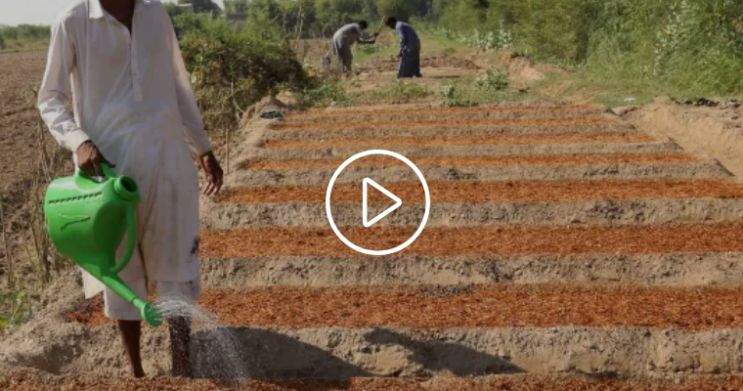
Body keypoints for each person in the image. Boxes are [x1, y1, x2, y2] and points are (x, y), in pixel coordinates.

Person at [38, 0, 223, 378]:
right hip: (107, 169)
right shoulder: (73, 22)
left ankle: (182, 368)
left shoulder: (156, 14)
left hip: (167, 160)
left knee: (176, 263)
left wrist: (202, 147)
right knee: (120, 268)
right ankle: (135, 370)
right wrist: (78, 141)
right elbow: (50, 98)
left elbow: (177, 83)